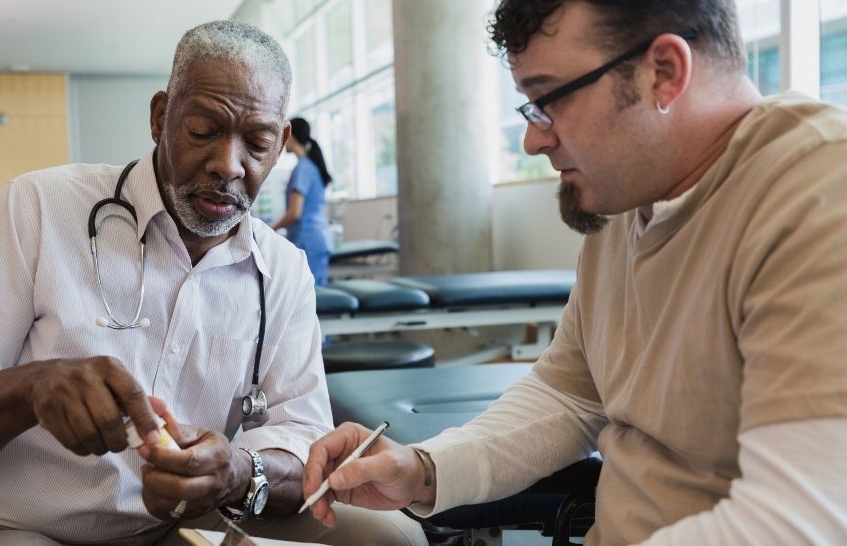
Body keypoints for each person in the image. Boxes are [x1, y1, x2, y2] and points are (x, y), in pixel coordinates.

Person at [302, 1, 847, 545]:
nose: (533, 139)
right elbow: (568, 395)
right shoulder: (624, 201)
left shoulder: (817, 195)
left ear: (664, 73)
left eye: (549, 100)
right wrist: (424, 469)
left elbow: (795, 521)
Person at [0, 20, 426, 546]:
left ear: (282, 143)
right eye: (202, 131)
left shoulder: (281, 270)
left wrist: (240, 471)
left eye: (257, 142)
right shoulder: (37, 210)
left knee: (393, 536)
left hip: (182, 521)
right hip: (7, 521)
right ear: (161, 116)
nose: (228, 164)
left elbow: (302, 436)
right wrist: (30, 389)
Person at [272, 117, 334, 286]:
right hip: (315, 238)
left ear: (291, 135)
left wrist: (270, 230)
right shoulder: (311, 167)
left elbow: (295, 213)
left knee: (313, 298)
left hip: (309, 240)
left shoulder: (303, 169)